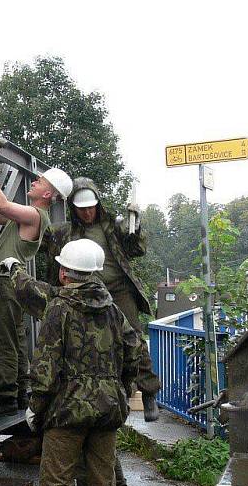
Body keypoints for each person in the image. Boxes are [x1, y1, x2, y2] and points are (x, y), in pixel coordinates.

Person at [19, 239, 140, 486]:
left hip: (68, 410)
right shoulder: (112, 309)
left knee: (57, 479)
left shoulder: (60, 308)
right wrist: (119, 391)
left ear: (64, 272)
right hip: (107, 408)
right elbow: (134, 352)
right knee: (102, 479)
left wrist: (36, 406)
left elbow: (46, 364)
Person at [42, 177, 160, 420]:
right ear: (73, 208)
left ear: (98, 204)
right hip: (85, 293)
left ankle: (149, 393)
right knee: (81, 343)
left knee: (135, 338)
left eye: (91, 207)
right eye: (81, 208)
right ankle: (92, 398)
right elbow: (45, 250)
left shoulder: (113, 227)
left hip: (118, 290)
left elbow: (137, 250)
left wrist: (135, 229)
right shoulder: (64, 232)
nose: (87, 212)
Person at [0, 158, 72, 415]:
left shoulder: (34, 215)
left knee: (2, 339)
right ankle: (20, 393)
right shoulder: (26, 216)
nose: (33, 181)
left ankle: (6, 397)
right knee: (16, 338)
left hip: (4, 282)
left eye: (39, 181)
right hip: (11, 284)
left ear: (47, 193)